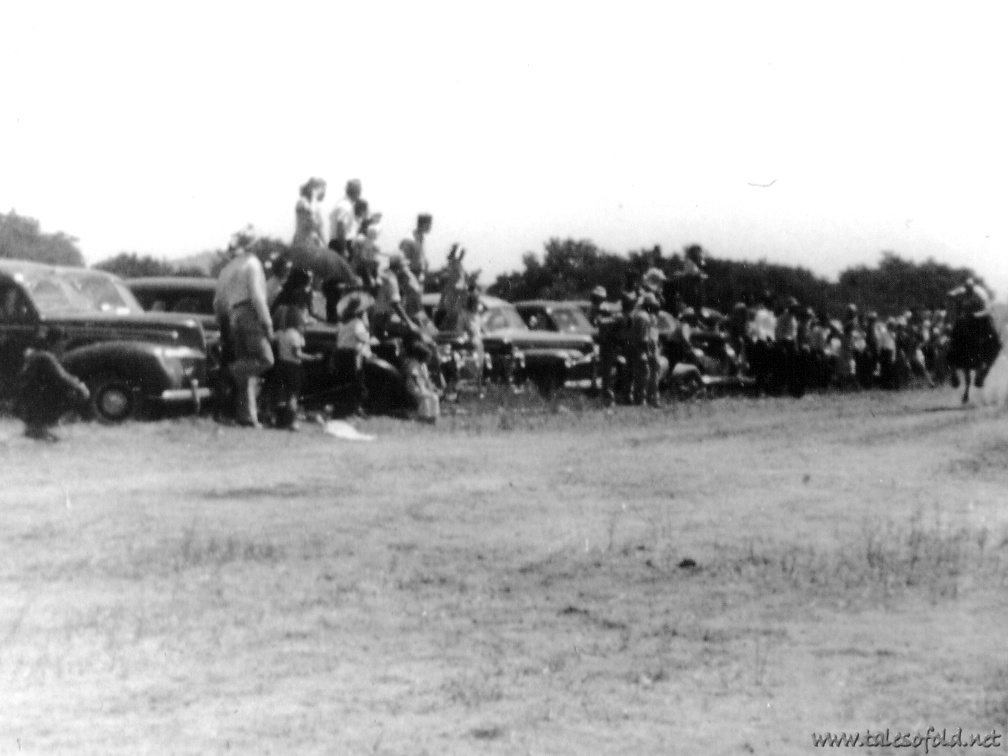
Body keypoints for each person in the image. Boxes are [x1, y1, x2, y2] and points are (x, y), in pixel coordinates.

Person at [214, 244, 275, 427]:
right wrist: (267, 322)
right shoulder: (252, 263)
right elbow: (257, 295)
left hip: (233, 315)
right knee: (266, 359)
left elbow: (218, 302)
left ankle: (247, 416)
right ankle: (230, 371)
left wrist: (224, 325)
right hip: (249, 312)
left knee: (246, 367)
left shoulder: (226, 270)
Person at [14, 346, 90, 441]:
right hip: (38, 401)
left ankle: (35, 429)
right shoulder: (45, 357)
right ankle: (40, 428)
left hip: (26, 401)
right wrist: (79, 386)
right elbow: (61, 376)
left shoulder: (34, 357)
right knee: (75, 395)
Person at [271, 293, 321, 431]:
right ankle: (291, 421)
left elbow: (272, 338)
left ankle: (279, 420)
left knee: (281, 394)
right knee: (293, 395)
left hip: (281, 365)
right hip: (293, 367)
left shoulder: (281, 333)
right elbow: (297, 354)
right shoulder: (296, 336)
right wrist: (313, 357)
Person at [336, 291, 376, 417]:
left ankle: (346, 407)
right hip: (352, 355)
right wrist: (370, 334)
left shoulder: (342, 322)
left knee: (346, 382)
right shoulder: (357, 323)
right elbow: (363, 338)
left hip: (341, 353)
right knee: (357, 381)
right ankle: (354, 408)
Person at [372, 253, 422, 339]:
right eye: (405, 266)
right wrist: (410, 323)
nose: (406, 269)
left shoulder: (385, 274)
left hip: (377, 319)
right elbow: (395, 304)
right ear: (400, 267)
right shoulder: (392, 279)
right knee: (415, 330)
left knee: (414, 322)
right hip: (385, 319)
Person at [328, 179, 362, 255]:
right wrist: (344, 249)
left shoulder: (340, 203)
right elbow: (341, 227)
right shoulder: (346, 206)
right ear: (357, 192)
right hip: (341, 244)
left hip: (336, 243)